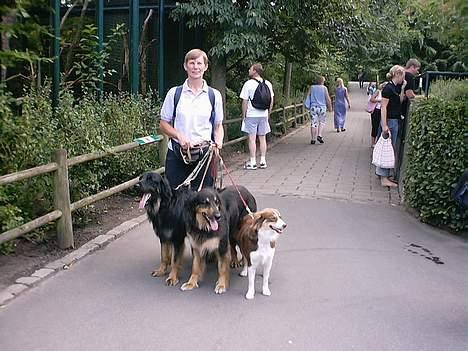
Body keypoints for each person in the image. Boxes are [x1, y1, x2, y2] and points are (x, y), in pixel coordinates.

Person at [159, 49, 224, 189]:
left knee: (203, 200)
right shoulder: (174, 94)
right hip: (177, 154)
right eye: (192, 63)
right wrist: (178, 136)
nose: (195, 67)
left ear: (205, 67)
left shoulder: (214, 95)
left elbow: (218, 126)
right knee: (175, 200)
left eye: (199, 63)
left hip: (205, 155)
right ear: (185, 66)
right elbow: (163, 124)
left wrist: (218, 144)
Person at [376, 65, 407, 187]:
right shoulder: (388, 88)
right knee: (387, 148)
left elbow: (399, 101)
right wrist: (384, 125)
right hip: (390, 120)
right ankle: (384, 178)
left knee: (389, 147)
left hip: (394, 119)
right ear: (397, 74)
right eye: (403, 75)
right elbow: (383, 107)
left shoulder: (395, 87)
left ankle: (384, 175)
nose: (404, 78)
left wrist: (403, 88)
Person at [240, 63, 274, 170]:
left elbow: (245, 101)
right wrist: (268, 113)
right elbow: (271, 100)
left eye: (250, 69)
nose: (249, 70)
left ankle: (253, 161)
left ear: (255, 71)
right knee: (262, 138)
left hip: (251, 114)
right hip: (263, 114)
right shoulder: (267, 83)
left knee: (252, 139)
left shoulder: (248, 84)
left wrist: (244, 115)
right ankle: (263, 161)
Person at [305, 76, 332, 144]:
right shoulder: (324, 88)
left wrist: (307, 104)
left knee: (313, 123)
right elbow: (327, 98)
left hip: (313, 107)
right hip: (322, 107)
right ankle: (319, 135)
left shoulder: (312, 87)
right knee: (322, 122)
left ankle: (313, 139)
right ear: (322, 81)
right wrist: (330, 107)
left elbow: (307, 96)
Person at [369, 82, 386, 147]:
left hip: (383, 110)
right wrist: (379, 100)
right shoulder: (378, 92)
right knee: (375, 126)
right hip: (376, 110)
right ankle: (373, 142)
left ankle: (379, 141)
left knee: (381, 126)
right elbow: (372, 99)